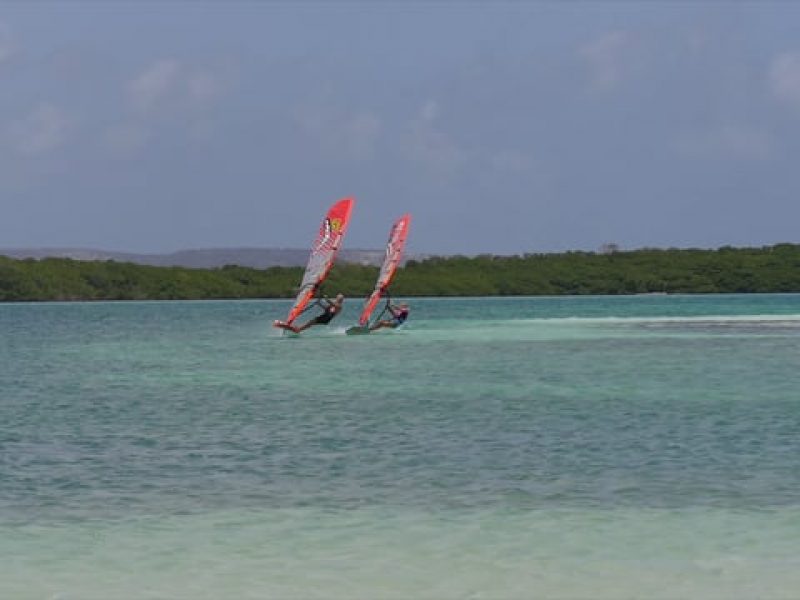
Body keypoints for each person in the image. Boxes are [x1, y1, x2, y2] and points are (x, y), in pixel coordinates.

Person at [275, 293, 345, 333]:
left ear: (341, 300)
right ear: (337, 298)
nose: (339, 299)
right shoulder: (334, 304)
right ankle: (297, 329)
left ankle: (298, 329)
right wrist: (319, 304)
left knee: (311, 322)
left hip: (326, 319)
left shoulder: (339, 306)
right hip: (324, 317)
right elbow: (327, 309)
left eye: (340, 299)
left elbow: (334, 305)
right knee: (310, 322)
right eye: (338, 298)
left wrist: (326, 299)